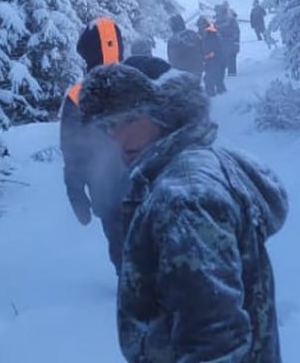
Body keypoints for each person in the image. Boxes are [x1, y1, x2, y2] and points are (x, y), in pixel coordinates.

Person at [78, 64, 287, 363]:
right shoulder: (187, 169)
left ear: (164, 114)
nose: (118, 138)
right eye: (109, 126)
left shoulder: (185, 197)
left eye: (130, 119)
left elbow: (215, 342)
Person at [58, 16, 129, 271]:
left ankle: (133, 295)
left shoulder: (77, 95)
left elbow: (72, 149)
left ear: (86, 53)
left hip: (106, 191)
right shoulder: (140, 83)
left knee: (124, 255)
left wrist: (75, 190)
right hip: (148, 186)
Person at [197, 15, 227, 95]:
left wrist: (205, 57)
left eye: (201, 27)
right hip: (212, 61)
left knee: (210, 81)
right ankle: (220, 95)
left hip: (217, 61)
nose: (200, 29)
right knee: (216, 81)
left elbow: (215, 51)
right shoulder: (202, 35)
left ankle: (215, 98)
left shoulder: (212, 35)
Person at [216, 4, 242, 77]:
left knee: (230, 59)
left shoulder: (231, 21)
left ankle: (231, 74)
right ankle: (228, 73)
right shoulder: (218, 21)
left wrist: (230, 39)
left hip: (230, 44)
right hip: (227, 45)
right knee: (227, 59)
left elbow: (236, 33)